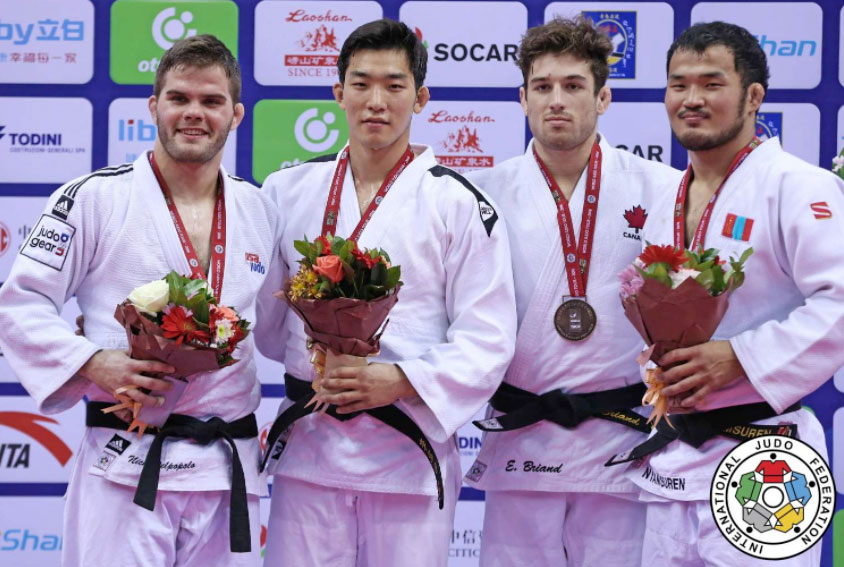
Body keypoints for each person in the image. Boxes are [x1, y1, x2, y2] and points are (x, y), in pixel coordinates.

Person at [0, 35, 276, 566]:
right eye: (179, 98)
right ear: (154, 106)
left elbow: (279, 327)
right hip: (125, 463)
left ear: (236, 113)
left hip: (227, 467)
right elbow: (20, 304)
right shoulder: (92, 198)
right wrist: (94, 362)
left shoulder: (259, 209)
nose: (194, 113)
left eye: (211, 101)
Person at [256, 18, 516, 567]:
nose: (376, 101)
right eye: (361, 83)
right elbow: (265, 320)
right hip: (310, 450)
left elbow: (488, 337)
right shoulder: (286, 191)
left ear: (420, 97)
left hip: (407, 453)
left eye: (395, 86)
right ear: (338, 92)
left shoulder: (457, 201)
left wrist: (398, 378)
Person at [621, 21, 844, 566]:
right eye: (678, 84)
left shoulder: (799, 186)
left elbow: (840, 302)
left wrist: (740, 358)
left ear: (753, 97)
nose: (691, 99)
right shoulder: (665, 197)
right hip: (674, 456)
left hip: (768, 458)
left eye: (711, 84)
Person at [463, 17, 681, 567]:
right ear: (522, 98)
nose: (557, 100)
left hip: (620, 440)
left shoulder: (661, 188)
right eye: (543, 87)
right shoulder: (479, 194)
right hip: (523, 438)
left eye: (574, 86)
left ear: (603, 96)